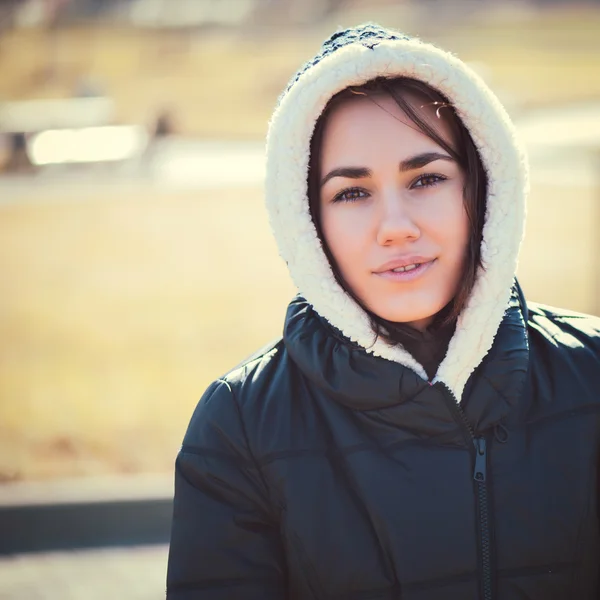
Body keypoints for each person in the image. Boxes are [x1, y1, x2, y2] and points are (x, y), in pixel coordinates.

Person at [166, 23, 600, 599]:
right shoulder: (239, 426)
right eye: (351, 192)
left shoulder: (590, 373)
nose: (396, 227)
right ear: (306, 222)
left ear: (484, 188)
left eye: (426, 178)